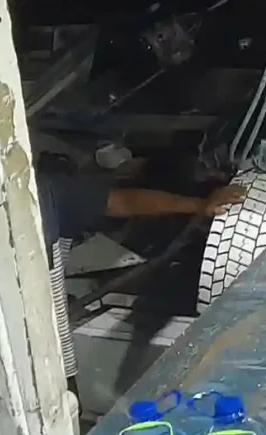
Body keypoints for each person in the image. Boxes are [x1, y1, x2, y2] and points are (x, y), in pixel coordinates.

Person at [36, 169, 243, 407]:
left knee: (64, 411)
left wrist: (199, 205)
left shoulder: (43, 191)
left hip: (53, 361)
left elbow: (121, 201)